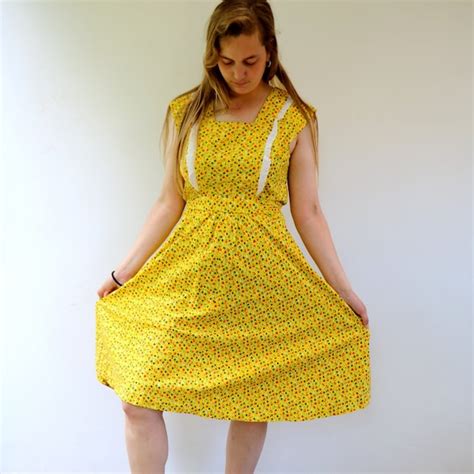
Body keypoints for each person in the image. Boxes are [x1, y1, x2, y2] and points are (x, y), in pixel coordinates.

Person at [95, 1, 371, 472]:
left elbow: (308, 212)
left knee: (250, 400)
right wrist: (122, 275)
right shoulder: (186, 112)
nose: (239, 73)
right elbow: (168, 202)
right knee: (137, 396)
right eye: (227, 62)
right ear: (212, 56)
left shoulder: (292, 117)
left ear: (270, 52)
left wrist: (343, 291)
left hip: (260, 282)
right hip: (187, 277)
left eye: (250, 61)